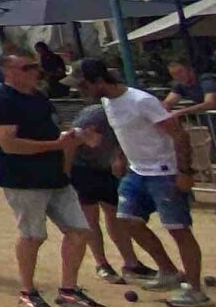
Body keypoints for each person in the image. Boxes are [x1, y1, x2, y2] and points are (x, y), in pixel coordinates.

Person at [0, 49, 107, 307]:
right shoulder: (0, 101)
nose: (35, 71)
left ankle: (69, 290)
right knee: (32, 235)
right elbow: (8, 144)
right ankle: (27, 291)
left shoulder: (39, 96)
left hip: (55, 176)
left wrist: (77, 137)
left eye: (35, 67)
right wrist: (55, 144)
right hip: (23, 179)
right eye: (27, 67)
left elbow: (53, 131)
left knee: (80, 230)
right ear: (8, 72)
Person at [77, 59, 210, 306]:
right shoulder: (107, 102)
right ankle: (168, 271)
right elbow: (121, 131)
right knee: (127, 221)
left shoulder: (141, 101)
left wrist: (184, 171)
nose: (80, 90)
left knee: (178, 229)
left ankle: (195, 289)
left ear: (98, 81)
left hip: (164, 171)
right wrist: (119, 156)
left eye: (83, 85)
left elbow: (179, 134)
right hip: (137, 171)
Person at [64, 91, 173, 284]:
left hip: (107, 169)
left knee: (116, 215)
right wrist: (66, 171)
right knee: (90, 218)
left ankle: (131, 263)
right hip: (83, 168)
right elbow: (72, 140)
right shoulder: (94, 114)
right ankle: (102, 264)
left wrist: (119, 157)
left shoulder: (132, 109)